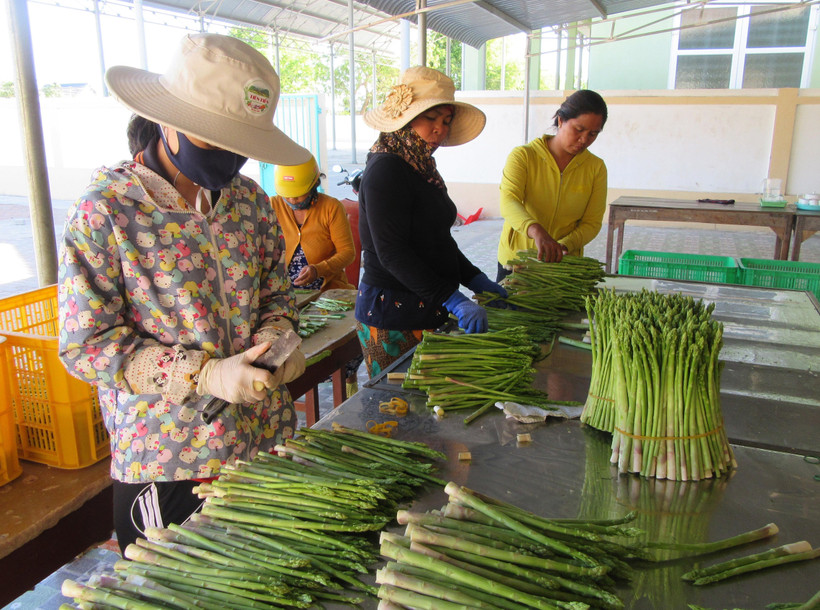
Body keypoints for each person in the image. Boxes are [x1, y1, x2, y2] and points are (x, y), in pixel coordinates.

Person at [57, 33, 311, 555]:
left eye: (241, 145)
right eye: (215, 140)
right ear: (169, 122)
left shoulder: (249, 202)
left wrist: (279, 343)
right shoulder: (107, 211)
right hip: (169, 455)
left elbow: (276, 293)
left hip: (262, 439)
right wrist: (204, 374)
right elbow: (87, 345)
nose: (230, 161)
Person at [355, 66, 508, 378]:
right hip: (392, 318)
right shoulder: (386, 169)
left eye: (446, 121)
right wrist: (454, 299)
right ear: (405, 119)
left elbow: (439, 241)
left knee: (428, 410)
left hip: (426, 308)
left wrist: (476, 279)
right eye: (431, 118)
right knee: (398, 412)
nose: (440, 129)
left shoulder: (421, 168)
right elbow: (392, 253)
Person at [496, 90, 608, 281]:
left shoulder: (596, 168)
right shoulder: (524, 156)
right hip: (517, 262)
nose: (584, 140)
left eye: (593, 134)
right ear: (561, 121)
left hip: (562, 264)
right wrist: (536, 231)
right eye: (579, 130)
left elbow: (592, 222)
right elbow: (509, 201)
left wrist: (563, 246)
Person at [271, 156, 356, 291]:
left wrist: (318, 270)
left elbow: (347, 253)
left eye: (299, 194)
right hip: (284, 292)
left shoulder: (331, 207)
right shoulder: (272, 206)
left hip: (328, 292)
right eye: (287, 195)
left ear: (313, 185)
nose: (292, 200)